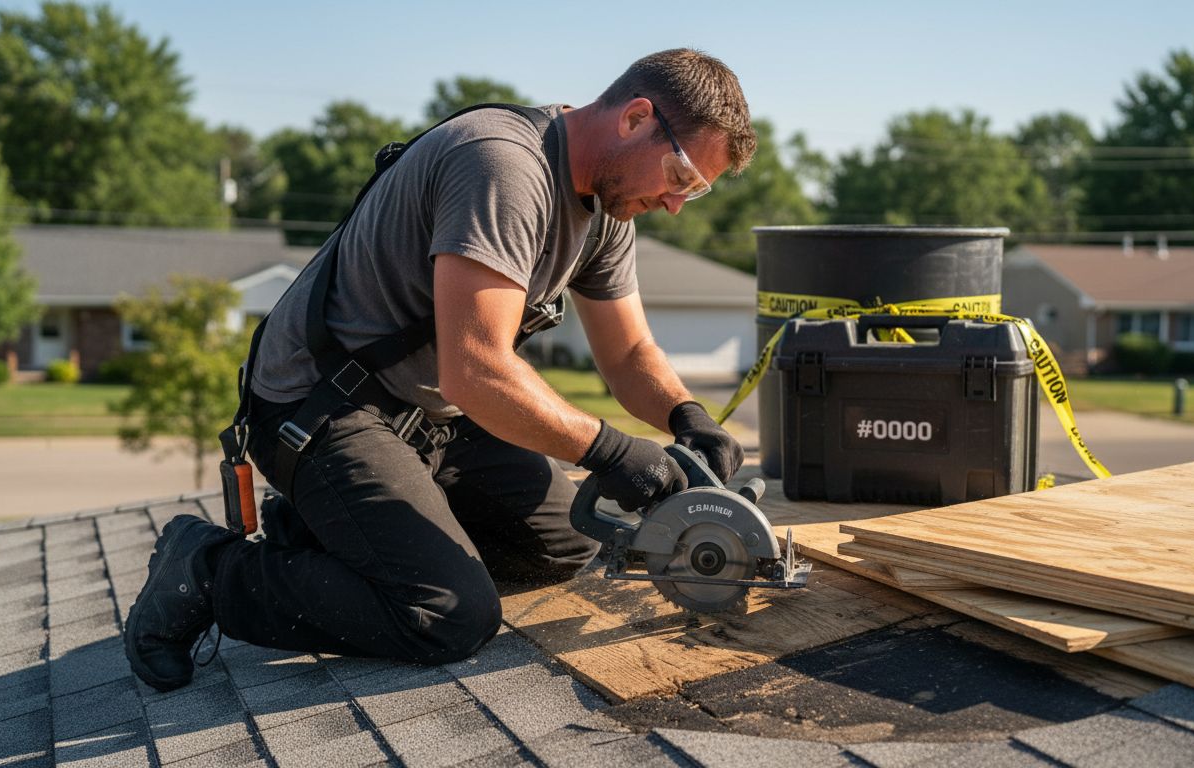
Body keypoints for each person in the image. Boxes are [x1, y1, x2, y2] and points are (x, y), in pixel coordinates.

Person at [123, 48, 757, 692]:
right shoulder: (505, 166)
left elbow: (627, 354)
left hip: (431, 414)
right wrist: (612, 450)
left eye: (695, 190)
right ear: (636, 118)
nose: (678, 203)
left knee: (563, 546)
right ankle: (208, 570)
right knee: (447, 615)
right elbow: (477, 369)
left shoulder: (607, 209)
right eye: (681, 174)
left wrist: (688, 416)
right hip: (323, 405)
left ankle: (329, 532)